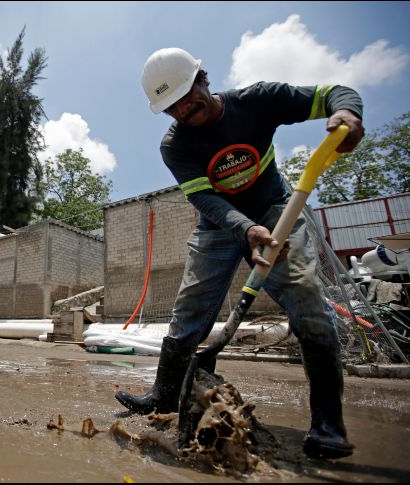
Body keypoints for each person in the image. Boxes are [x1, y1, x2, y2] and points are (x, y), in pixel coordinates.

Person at [114, 47, 365, 460]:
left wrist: (348, 112)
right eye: (171, 105)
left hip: (275, 209)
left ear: (204, 79)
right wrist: (245, 229)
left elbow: (334, 92)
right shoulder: (174, 146)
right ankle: (164, 396)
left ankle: (327, 425)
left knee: (307, 300)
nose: (182, 108)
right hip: (219, 225)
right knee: (189, 309)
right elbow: (206, 201)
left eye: (186, 95)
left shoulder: (259, 100)